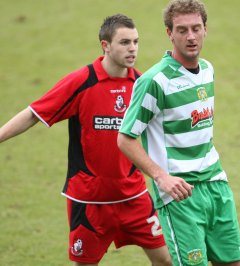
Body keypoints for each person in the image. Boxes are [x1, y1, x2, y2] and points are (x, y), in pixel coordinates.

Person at [0, 14, 172, 266]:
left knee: (166, 260)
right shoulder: (81, 82)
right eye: (124, 42)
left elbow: (165, 130)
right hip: (90, 202)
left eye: (136, 41)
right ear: (105, 45)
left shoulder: (141, 84)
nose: (132, 48)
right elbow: (34, 114)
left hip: (134, 197)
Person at [117, 1, 240, 265]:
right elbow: (126, 139)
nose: (191, 36)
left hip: (217, 186)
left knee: (233, 262)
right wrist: (161, 177)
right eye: (182, 29)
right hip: (180, 195)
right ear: (169, 33)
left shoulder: (208, 70)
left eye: (196, 28)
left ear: (205, 30)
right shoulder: (154, 81)